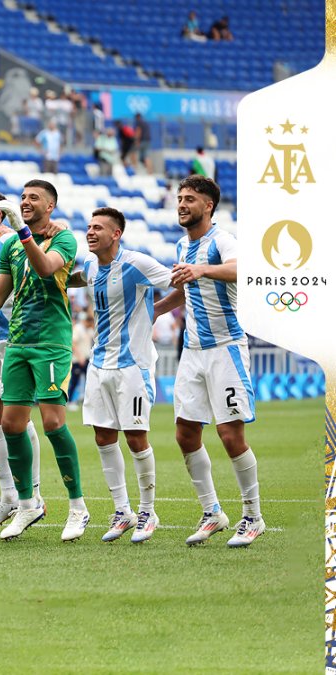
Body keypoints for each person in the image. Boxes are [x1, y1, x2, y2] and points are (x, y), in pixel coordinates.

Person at [0, 180, 88, 541]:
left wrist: (23, 231)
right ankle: (27, 505)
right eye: (23, 197)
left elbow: (45, 269)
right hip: (19, 341)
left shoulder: (63, 240)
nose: (25, 202)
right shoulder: (14, 246)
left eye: (33, 198)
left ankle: (78, 507)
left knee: (54, 423)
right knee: (10, 425)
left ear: (50, 206)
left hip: (51, 342)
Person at [155, 175, 262, 547]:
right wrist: (153, 310)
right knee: (185, 433)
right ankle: (212, 512)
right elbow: (184, 290)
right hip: (193, 351)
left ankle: (252, 516)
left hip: (226, 350)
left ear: (208, 206)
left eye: (189, 199)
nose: (181, 204)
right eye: (180, 198)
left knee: (230, 435)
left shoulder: (222, 240)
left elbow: (241, 269)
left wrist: (202, 270)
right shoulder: (182, 246)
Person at [74, 208, 171, 543]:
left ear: (115, 234)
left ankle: (148, 511)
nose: (90, 232)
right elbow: (75, 278)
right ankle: (122, 511)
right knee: (103, 436)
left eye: (98, 228)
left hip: (133, 365)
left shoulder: (137, 263)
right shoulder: (89, 266)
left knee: (135, 437)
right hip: (99, 364)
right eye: (88, 227)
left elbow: (182, 282)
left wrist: (157, 309)